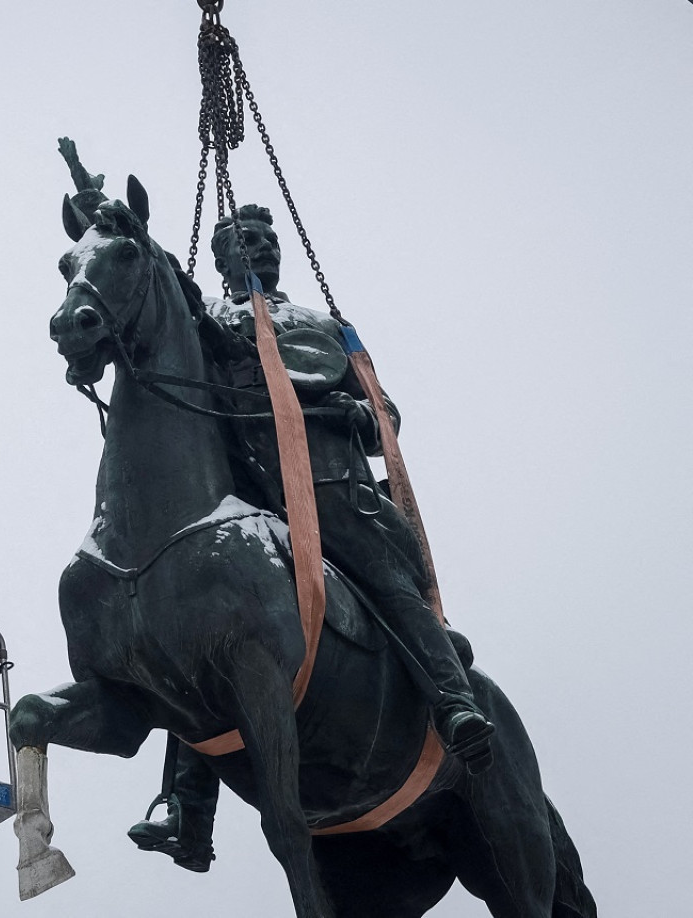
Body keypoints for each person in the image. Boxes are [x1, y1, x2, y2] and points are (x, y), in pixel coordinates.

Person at [129, 205, 494, 871]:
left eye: (267, 240)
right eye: (245, 240)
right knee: (202, 643)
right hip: (252, 500)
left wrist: (354, 410)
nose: (260, 248)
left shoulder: (322, 325)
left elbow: (387, 410)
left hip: (331, 489)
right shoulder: (213, 320)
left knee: (389, 585)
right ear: (221, 257)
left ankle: (455, 704)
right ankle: (188, 810)